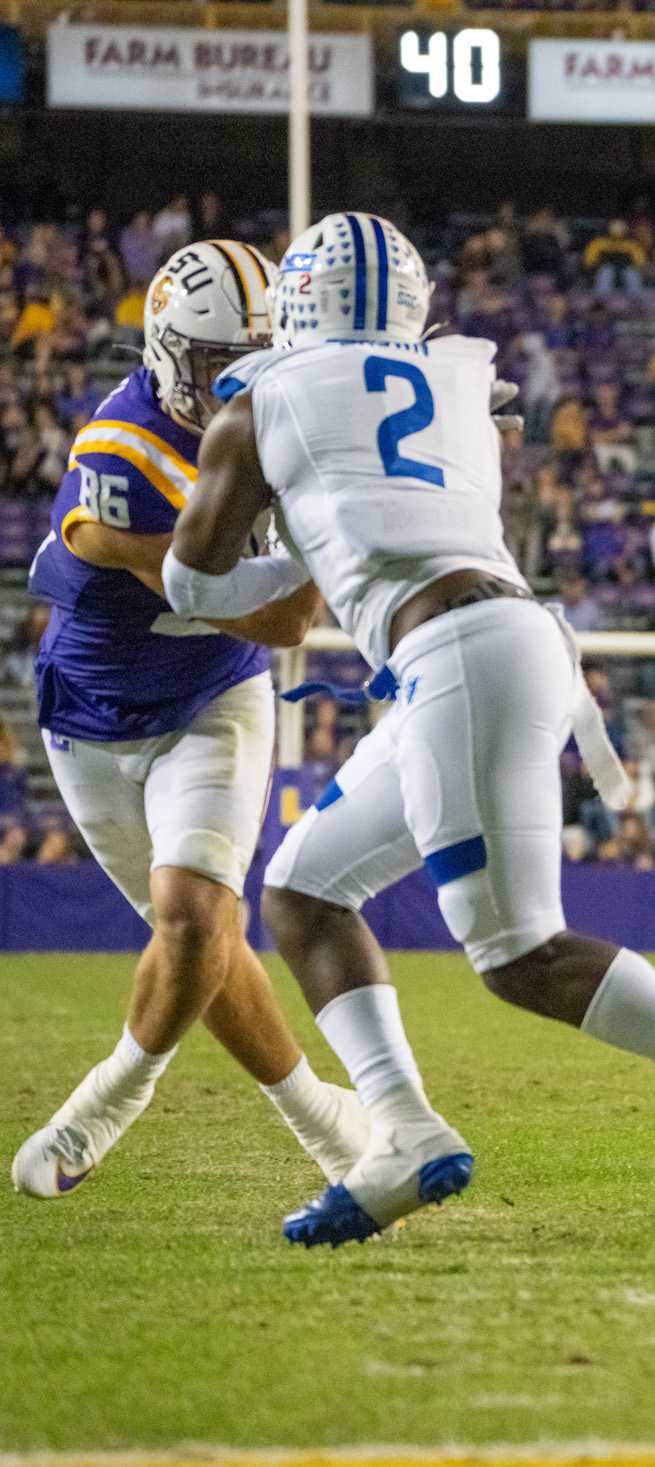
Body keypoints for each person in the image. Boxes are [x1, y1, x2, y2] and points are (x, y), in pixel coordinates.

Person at [160, 213, 655, 1245]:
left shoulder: (259, 403)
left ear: (296, 298)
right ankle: (403, 1128)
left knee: (517, 952)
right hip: (487, 638)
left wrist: (295, 545)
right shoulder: (458, 380)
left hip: (459, 655)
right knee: (303, 891)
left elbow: (193, 578)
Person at [14, 242, 366, 1201]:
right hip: (89, 719)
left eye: (261, 353)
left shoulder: (283, 424)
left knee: (195, 912)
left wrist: (145, 558)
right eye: (223, 363)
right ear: (171, 355)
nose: (246, 380)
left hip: (215, 697)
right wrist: (130, 552)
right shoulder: (120, 447)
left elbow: (287, 623)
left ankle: (104, 1102)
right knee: (198, 942)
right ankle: (326, 1119)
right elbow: (254, 594)